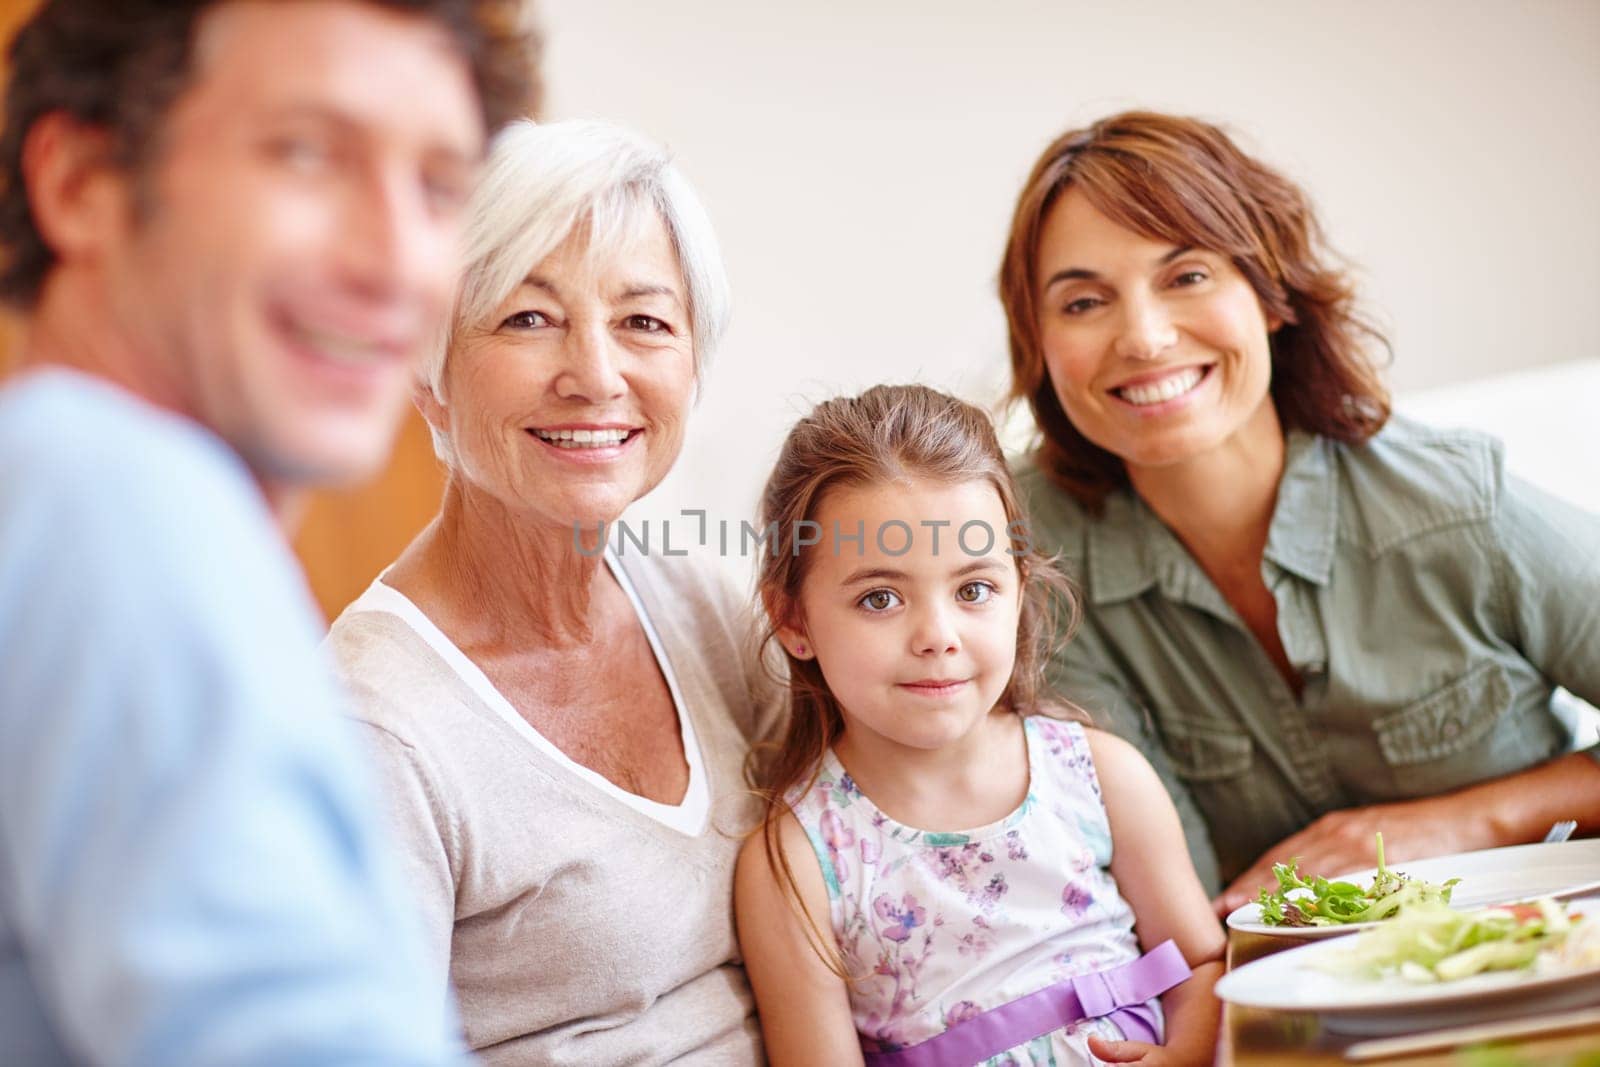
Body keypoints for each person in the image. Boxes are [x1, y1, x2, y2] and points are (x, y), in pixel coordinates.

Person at [0, 1, 534, 1063]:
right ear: (81, 186)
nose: (396, 263)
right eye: (306, 156)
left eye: (438, 187)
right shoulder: (114, 499)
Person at [997, 110, 1600, 917]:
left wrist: (1469, 819)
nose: (1142, 338)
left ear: (1271, 291)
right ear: (1037, 340)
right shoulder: (1028, 557)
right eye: (1082, 302)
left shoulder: (1455, 504)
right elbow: (1151, 886)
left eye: (1188, 276)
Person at [322, 117, 778, 1064]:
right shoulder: (374, 724)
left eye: (644, 321)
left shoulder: (691, 595)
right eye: (528, 318)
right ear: (430, 371)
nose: (595, 375)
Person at [735, 384, 1224, 1067]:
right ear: (793, 618)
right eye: (880, 597)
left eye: (973, 590)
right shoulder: (798, 859)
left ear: (1019, 589)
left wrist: (1186, 1054)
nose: (938, 635)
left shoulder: (1100, 775)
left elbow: (1202, 962)